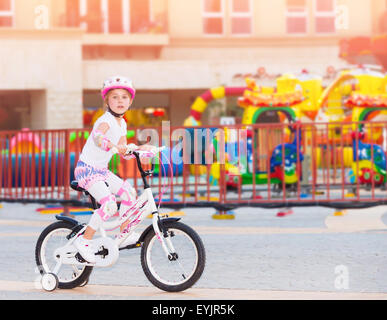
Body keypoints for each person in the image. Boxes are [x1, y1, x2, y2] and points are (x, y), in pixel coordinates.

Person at [73, 75, 153, 263]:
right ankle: (84, 241)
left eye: (124, 97)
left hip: (102, 171)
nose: (120, 101)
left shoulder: (122, 123)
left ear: (130, 101)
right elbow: (98, 137)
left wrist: (140, 150)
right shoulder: (106, 120)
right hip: (87, 170)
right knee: (109, 204)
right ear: (107, 100)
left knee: (128, 192)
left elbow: (124, 151)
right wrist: (109, 144)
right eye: (115, 97)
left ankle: (124, 233)